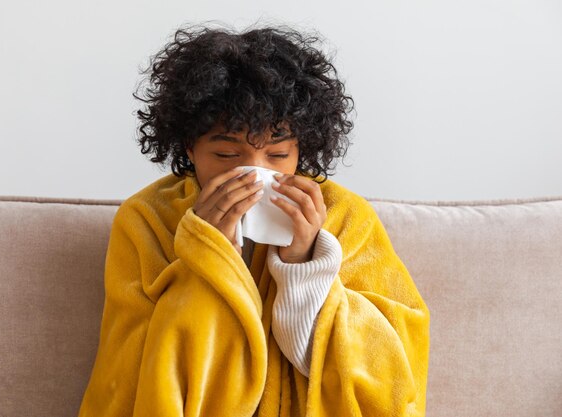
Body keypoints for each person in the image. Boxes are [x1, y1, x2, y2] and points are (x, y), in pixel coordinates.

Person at [78, 22, 430, 417]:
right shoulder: (147, 218)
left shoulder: (345, 216)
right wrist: (211, 251)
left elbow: (391, 367)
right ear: (189, 148)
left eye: (277, 156)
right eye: (227, 156)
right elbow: (131, 370)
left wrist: (305, 264)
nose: (251, 173)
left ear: (303, 149)